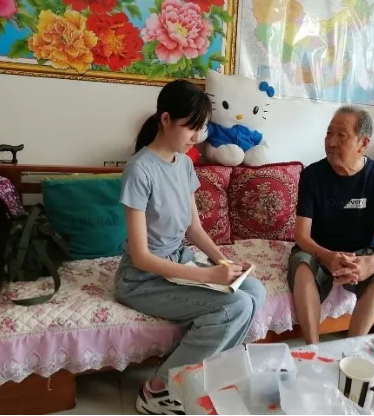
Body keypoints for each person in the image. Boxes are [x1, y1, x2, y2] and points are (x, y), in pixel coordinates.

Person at [115, 80, 266, 415]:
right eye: (191, 127)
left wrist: (225, 264)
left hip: (178, 263)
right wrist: (209, 276)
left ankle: (205, 377)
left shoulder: (183, 164)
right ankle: (155, 391)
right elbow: (141, 257)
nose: (197, 137)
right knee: (234, 307)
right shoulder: (139, 170)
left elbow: (193, 228)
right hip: (142, 279)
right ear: (165, 120)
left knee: (254, 290)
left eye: (202, 128)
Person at [288, 106, 374, 345]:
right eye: (329, 133)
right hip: (317, 249)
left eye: (342, 135)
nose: (331, 142)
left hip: (360, 252)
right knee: (302, 266)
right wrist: (327, 256)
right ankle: (314, 349)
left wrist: (371, 262)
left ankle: (352, 350)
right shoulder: (312, 175)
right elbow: (301, 235)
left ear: (363, 143)